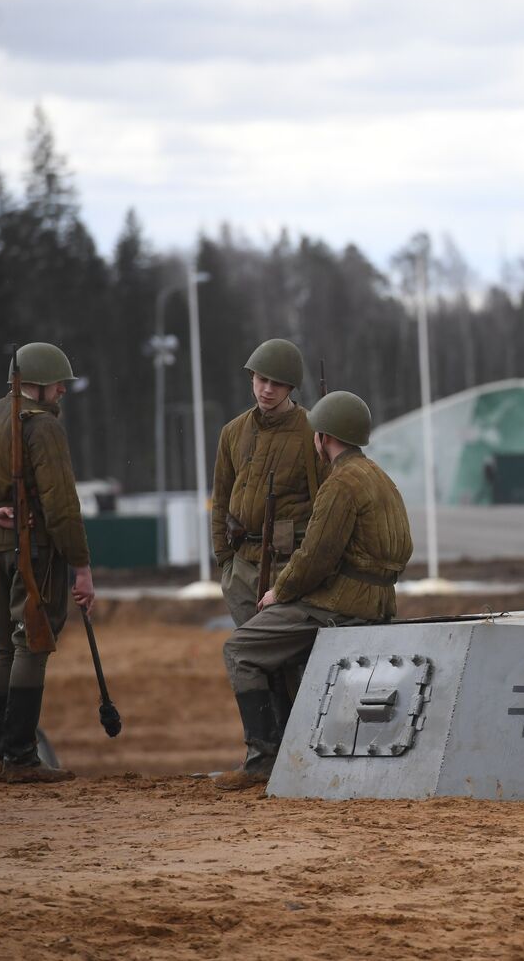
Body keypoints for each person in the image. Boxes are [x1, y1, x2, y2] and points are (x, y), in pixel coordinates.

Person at [215, 391, 414, 790]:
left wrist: (279, 592)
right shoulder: (379, 476)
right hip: (377, 599)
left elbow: (315, 558)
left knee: (240, 650)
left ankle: (263, 761)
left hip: (339, 604)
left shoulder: (340, 484)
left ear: (323, 437)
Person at [0, 342, 95, 784]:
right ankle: (22, 758)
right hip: (36, 553)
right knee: (32, 640)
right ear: (42, 384)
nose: (62, 393)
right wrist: (82, 566)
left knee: (3, 647)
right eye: (59, 386)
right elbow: (62, 504)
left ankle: (0, 756)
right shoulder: (42, 426)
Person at [211, 338, 325, 630]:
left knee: (287, 661)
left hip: (287, 568)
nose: (267, 389)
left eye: (278, 383)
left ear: (290, 388)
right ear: (252, 378)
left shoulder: (312, 431)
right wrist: (225, 560)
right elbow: (221, 497)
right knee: (252, 656)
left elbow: (326, 504)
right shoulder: (232, 432)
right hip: (240, 568)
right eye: (262, 379)